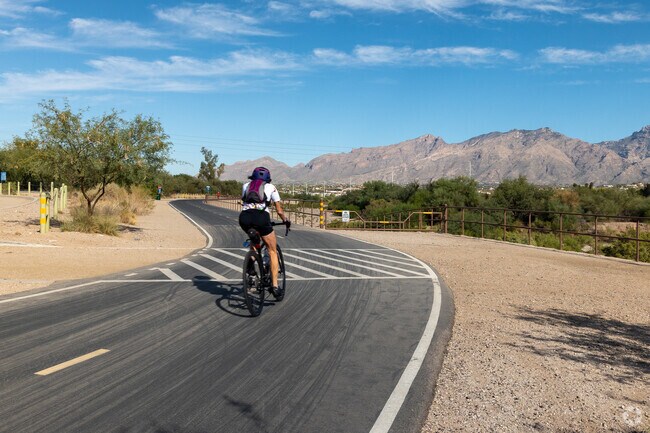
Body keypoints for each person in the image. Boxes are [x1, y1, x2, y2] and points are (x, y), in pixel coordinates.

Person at [239, 166, 288, 294]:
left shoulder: (245, 186)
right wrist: (286, 220)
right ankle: (275, 286)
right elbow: (279, 210)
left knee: (254, 243)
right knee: (272, 250)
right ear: (268, 178)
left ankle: (252, 273)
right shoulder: (271, 187)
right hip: (261, 218)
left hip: (244, 218)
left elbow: (244, 201)